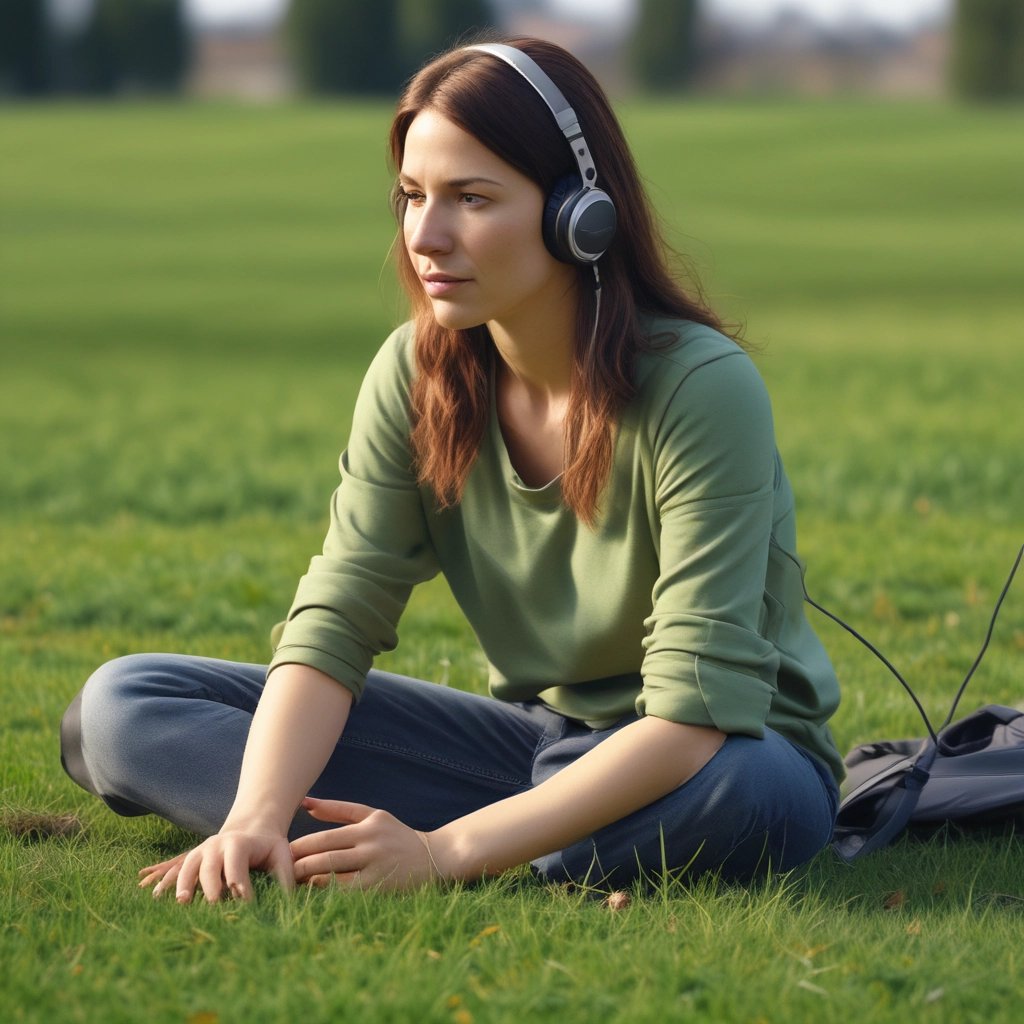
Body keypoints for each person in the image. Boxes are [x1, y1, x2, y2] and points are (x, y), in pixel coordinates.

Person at [60, 36, 843, 903]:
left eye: (471, 198)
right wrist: (254, 810)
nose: (425, 236)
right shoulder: (415, 372)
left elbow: (694, 718)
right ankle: (511, 845)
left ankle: (462, 851)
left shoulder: (702, 388)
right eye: (411, 196)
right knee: (124, 707)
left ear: (578, 212)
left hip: (723, 754)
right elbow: (338, 617)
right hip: (533, 748)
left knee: (743, 792)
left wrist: (444, 852)